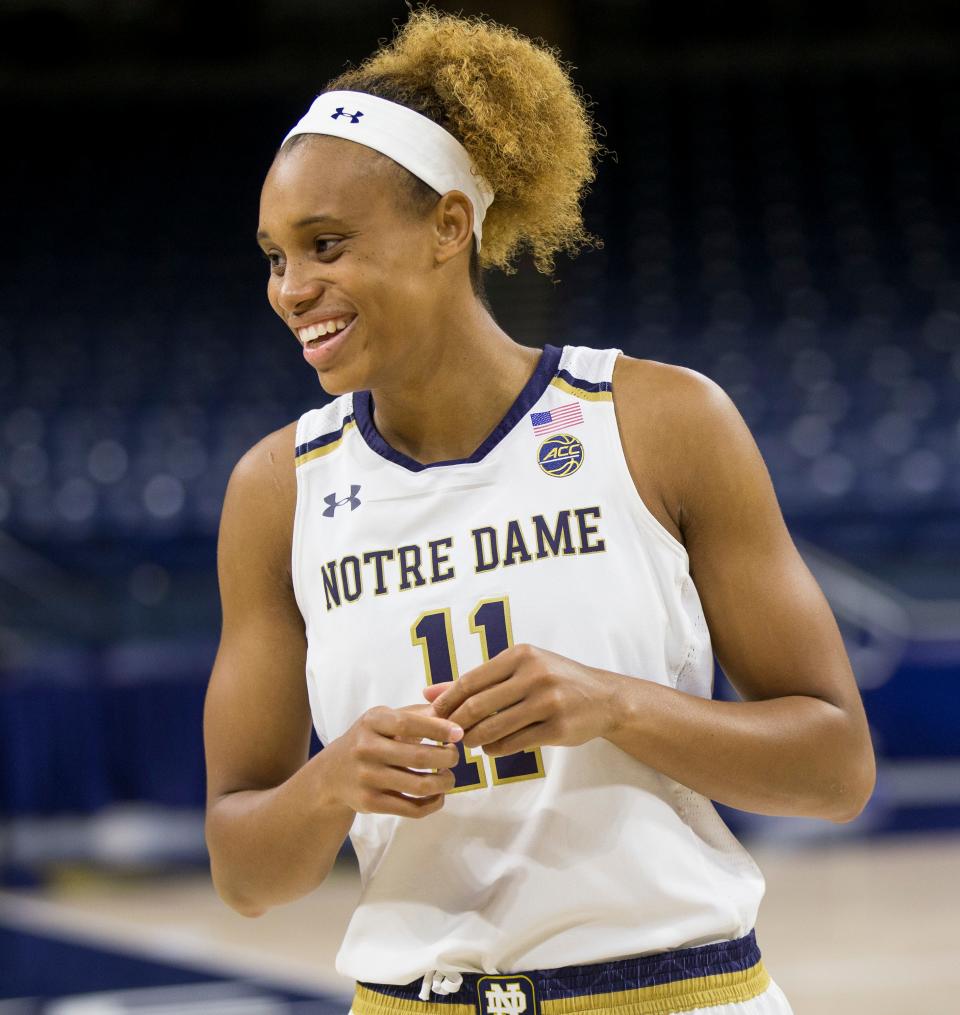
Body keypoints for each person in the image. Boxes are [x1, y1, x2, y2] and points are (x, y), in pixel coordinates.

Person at [203, 7, 875, 1014]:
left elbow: (837, 770)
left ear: (448, 226)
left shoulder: (660, 420)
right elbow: (245, 871)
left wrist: (618, 704)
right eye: (274, 256)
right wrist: (331, 782)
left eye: (326, 244)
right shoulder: (276, 488)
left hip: (680, 992)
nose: (293, 289)